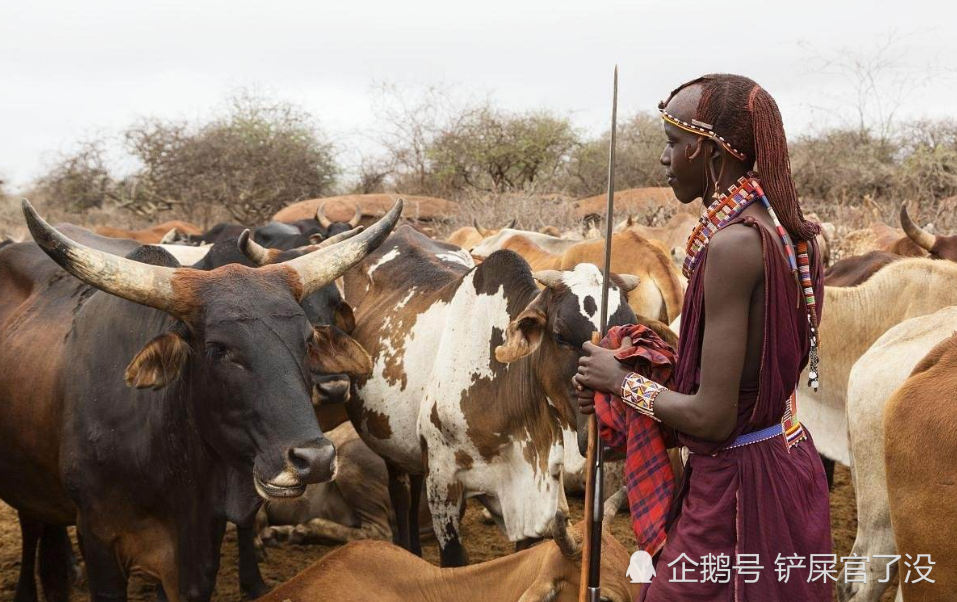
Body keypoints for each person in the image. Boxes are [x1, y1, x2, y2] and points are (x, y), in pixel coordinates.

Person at [573, 74, 833, 601]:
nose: (665, 160)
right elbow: (744, 379)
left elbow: (714, 418)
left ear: (710, 152)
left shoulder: (733, 248)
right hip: (785, 460)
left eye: (673, 144)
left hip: (739, 491)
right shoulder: (789, 231)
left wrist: (621, 382)